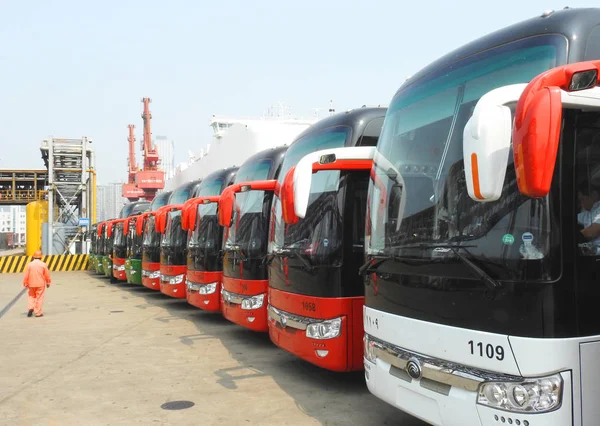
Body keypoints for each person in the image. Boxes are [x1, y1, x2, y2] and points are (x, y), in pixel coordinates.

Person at [22, 250, 51, 317]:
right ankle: (38, 313)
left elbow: (26, 275)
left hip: (31, 284)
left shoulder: (29, 264)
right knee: (39, 297)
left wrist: (25, 283)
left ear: (33, 256)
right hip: (40, 284)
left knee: (31, 296)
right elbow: (47, 275)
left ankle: (30, 308)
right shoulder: (43, 264)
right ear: (41, 257)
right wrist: (48, 282)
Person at [577, 180, 600, 254]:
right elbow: (569, 219)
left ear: (594, 195)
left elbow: (591, 233)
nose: (581, 204)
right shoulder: (586, 212)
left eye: (582, 199)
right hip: (591, 253)